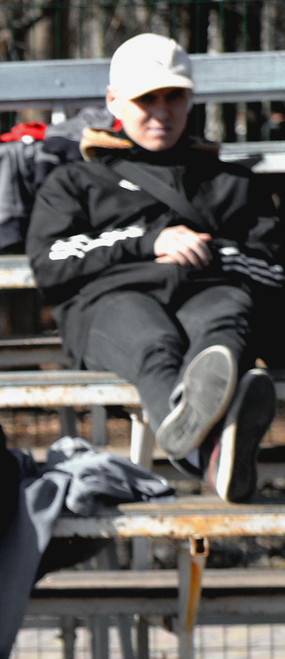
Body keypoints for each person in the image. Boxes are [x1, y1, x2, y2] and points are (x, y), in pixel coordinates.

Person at [27, 34, 282, 503]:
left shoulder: (232, 183)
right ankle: (215, 454)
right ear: (114, 102)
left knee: (224, 323)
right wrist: (147, 241)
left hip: (211, 291)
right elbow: (49, 262)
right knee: (152, 343)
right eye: (147, 99)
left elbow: (274, 267)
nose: (162, 113)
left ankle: (214, 433)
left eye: (174, 97)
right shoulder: (75, 181)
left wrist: (213, 252)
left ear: (190, 99)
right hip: (114, 301)